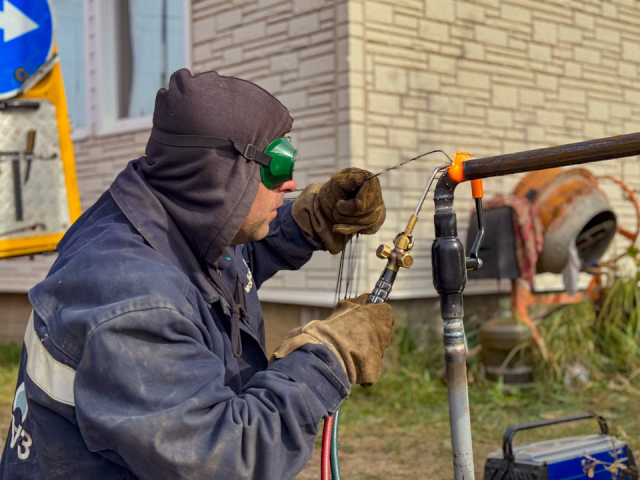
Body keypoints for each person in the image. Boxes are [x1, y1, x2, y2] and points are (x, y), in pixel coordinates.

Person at [0, 69, 395, 479]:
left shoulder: (158, 210)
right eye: (277, 166)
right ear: (217, 174)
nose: (291, 182)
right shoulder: (132, 303)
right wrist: (326, 357)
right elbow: (227, 460)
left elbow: (216, 271)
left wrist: (309, 223)